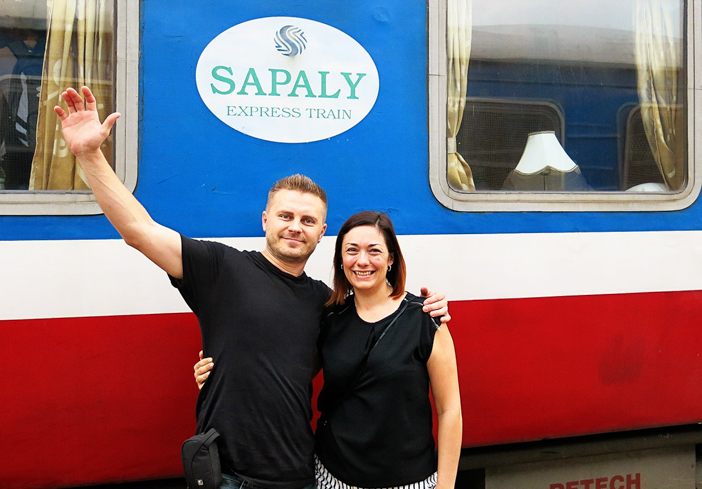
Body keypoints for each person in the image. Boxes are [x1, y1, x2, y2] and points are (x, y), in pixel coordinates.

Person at [54, 86, 449, 489]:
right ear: (265, 220)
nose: (296, 226)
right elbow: (139, 231)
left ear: (322, 233)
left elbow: (357, 333)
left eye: (308, 221)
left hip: (297, 473)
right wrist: (89, 155)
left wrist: (428, 308)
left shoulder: (324, 301)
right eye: (286, 215)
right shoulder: (220, 268)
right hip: (227, 474)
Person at [196, 212, 462, 489]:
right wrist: (220, 375)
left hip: (408, 481)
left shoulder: (426, 318)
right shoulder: (330, 317)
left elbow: (449, 409)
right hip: (331, 477)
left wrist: (445, 486)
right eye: (351, 250)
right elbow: (286, 376)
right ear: (341, 260)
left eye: (374, 251)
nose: (362, 261)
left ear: (391, 258)